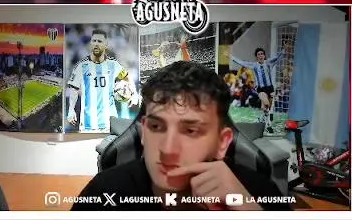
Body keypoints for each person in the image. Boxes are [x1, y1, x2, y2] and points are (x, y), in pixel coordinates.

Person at [72, 61, 292, 212]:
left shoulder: (258, 195)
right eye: (156, 126)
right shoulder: (104, 194)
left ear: (222, 142)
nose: (167, 149)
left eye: (190, 130)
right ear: (144, 132)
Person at [67, 30, 136, 132]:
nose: (96, 44)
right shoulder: (81, 66)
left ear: (106, 44)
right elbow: (74, 89)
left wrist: (133, 94)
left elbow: (127, 76)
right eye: (94, 41)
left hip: (110, 122)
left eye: (99, 41)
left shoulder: (113, 65)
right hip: (88, 124)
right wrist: (71, 110)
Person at [232, 47, 282, 116]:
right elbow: (242, 62)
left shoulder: (269, 63)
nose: (260, 55)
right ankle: (267, 117)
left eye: (262, 54)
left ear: (264, 55)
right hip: (261, 89)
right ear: (256, 57)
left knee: (268, 107)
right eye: (258, 54)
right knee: (267, 104)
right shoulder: (254, 65)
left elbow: (278, 57)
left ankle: (264, 117)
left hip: (270, 88)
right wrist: (230, 57)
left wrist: (284, 49)